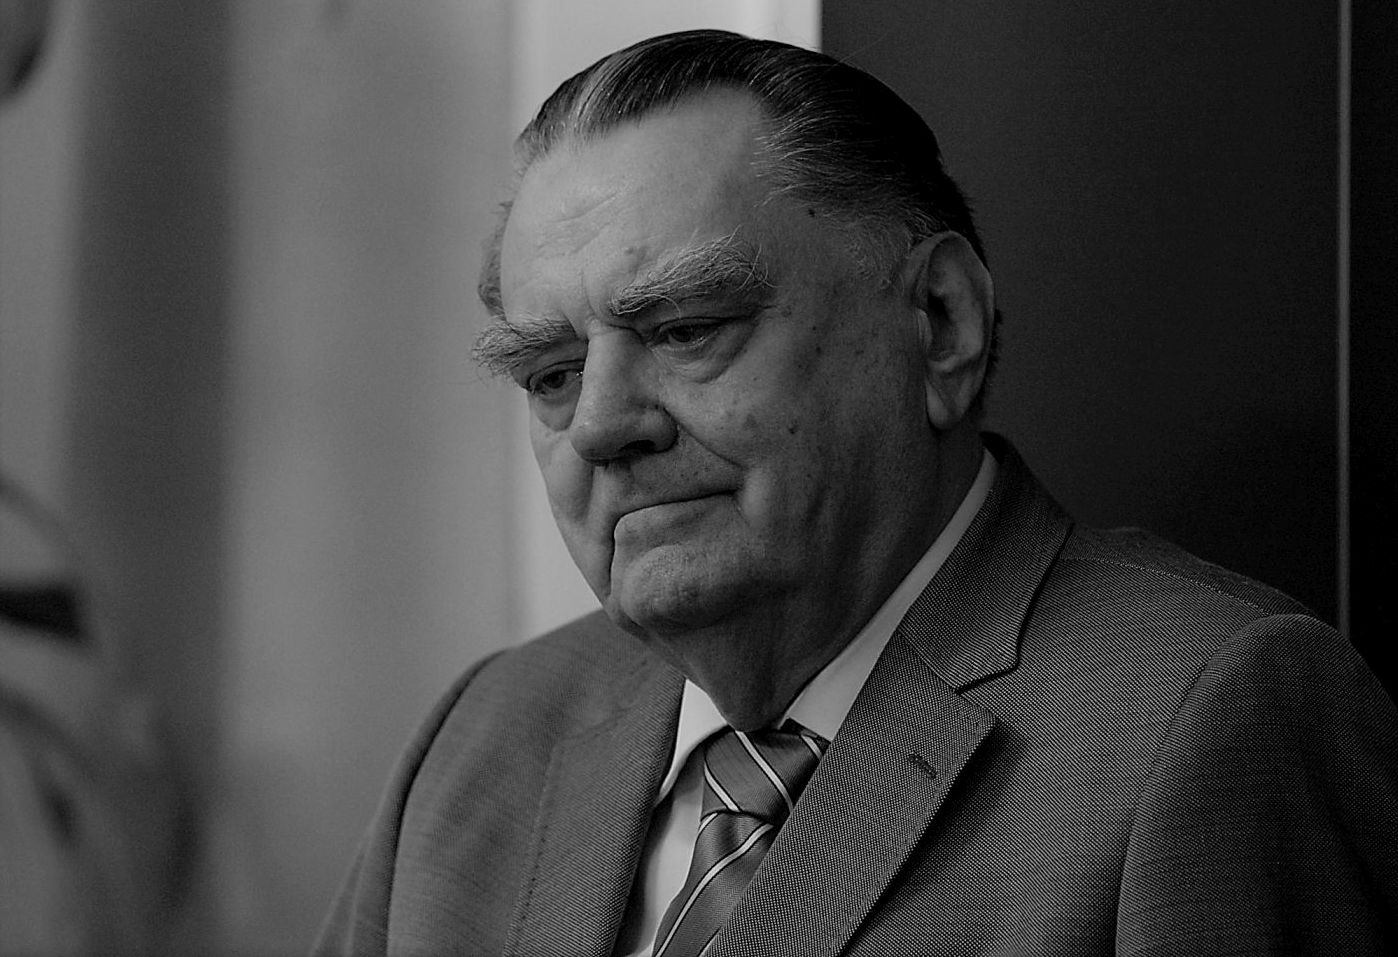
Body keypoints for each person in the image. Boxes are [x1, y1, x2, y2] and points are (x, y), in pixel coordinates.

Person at [315, 30, 1397, 956]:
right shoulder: (482, 739)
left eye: (686, 330)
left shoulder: (1207, 719)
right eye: (552, 375)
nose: (600, 426)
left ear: (940, 322)